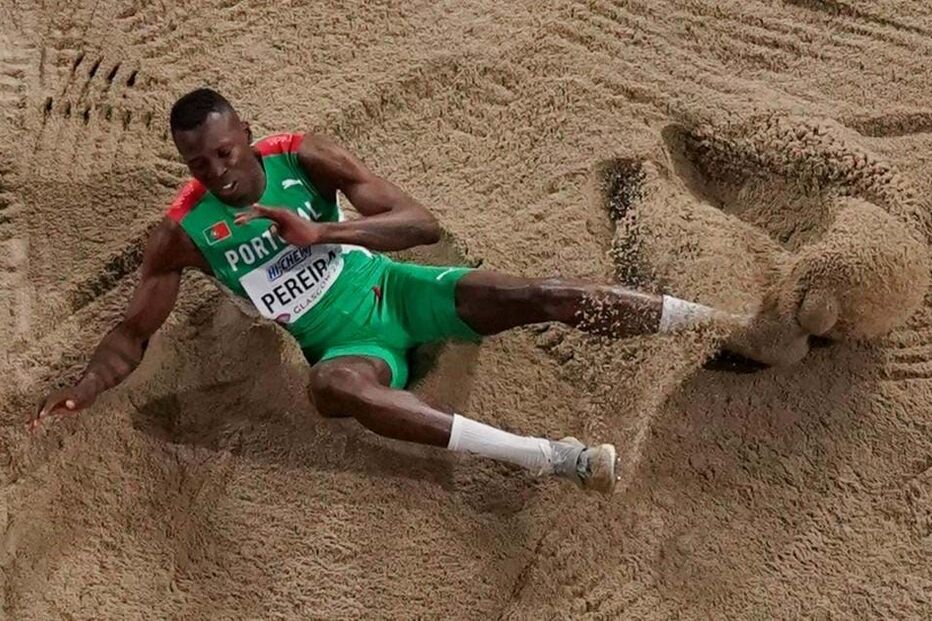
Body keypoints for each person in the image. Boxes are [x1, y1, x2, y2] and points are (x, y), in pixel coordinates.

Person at [33, 88, 744, 495]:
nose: (218, 170)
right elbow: (132, 333)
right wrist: (86, 387)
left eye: (225, 151)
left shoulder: (302, 158)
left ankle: (721, 325)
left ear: (245, 134)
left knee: (546, 292)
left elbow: (417, 223)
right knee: (331, 387)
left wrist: (323, 236)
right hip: (351, 344)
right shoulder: (184, 232)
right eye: (199, 161)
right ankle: (553, 456)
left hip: (402, 292)